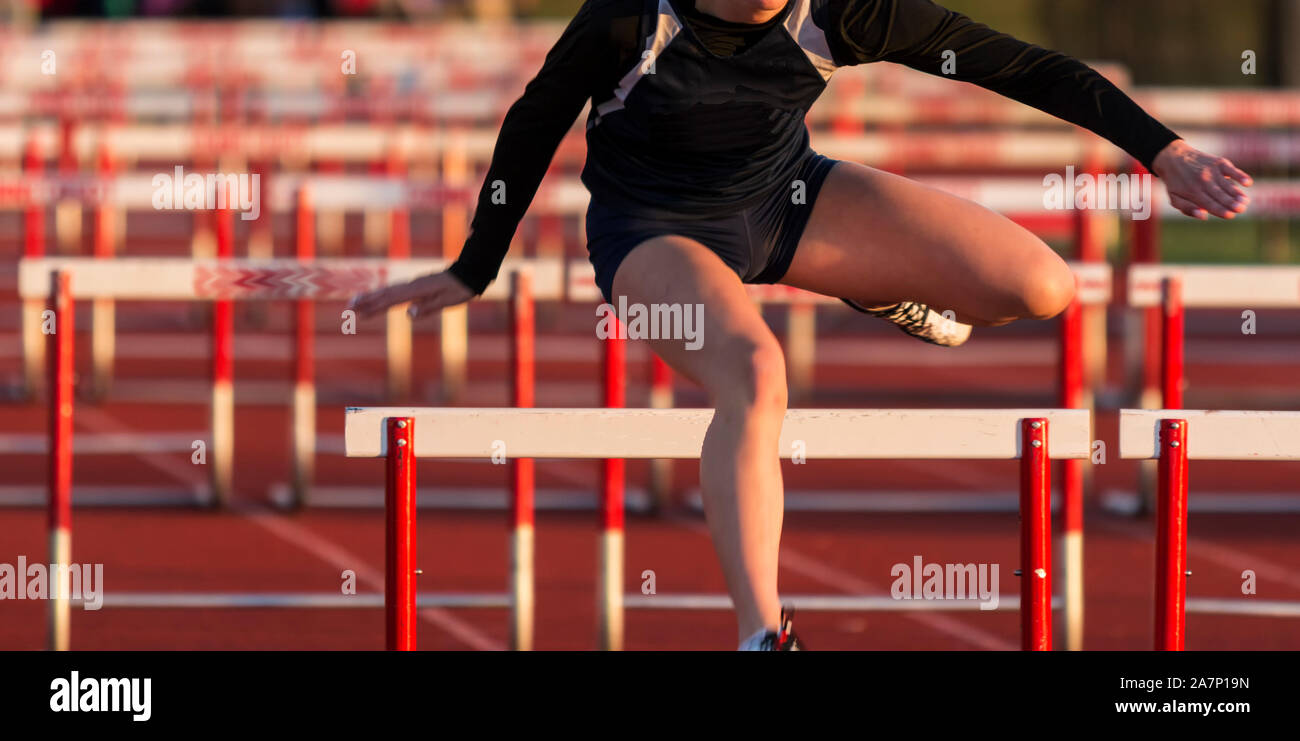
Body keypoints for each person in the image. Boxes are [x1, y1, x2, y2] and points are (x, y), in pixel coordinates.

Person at [351, 0, 1252, 650]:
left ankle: (870, 285)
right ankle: (761, 632)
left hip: (789, 203)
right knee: (755, 371)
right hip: (653, 233)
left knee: (1041, 284)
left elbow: (1016, 64)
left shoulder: (844, 11)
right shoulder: (630, 21)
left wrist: (1160, 151)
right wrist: (475, 265)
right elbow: (533, 122)